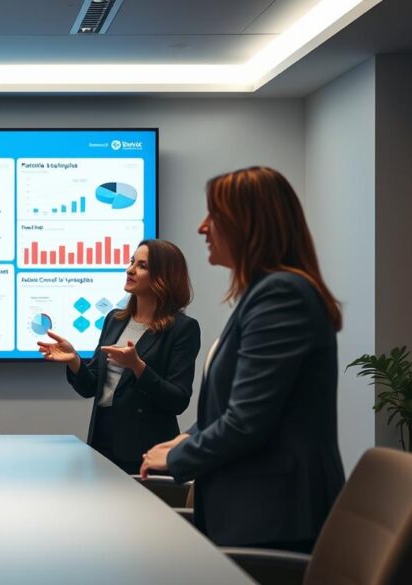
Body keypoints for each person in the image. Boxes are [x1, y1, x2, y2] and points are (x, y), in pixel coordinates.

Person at [140, 166, 345, 553]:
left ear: (249, 224)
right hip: (252, 508)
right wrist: (185, 437)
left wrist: (180, 455)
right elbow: (237, 404)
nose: (202, 228)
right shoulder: (263, 293)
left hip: (276, 516)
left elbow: (248, 420)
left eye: (213, 216)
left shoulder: (282, 294)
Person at [38, 239, 200, 474]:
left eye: (142, 265)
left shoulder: (182, 329)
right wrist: (74, 360)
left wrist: (138, 368)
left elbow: (178, 400)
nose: (130, 270)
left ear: (164, 276)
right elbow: (91, 386)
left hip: (145, 452)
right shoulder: (115, 319)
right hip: (102, 442)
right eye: (132, 261)